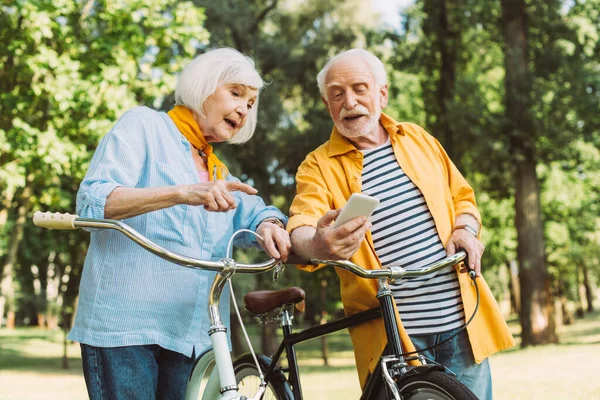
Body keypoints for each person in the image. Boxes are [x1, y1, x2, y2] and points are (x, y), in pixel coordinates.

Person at [287, 49, 515, 399]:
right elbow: (301, 226)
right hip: (392, 339)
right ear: (326, 103)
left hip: (460, 327)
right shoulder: (317, 166)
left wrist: (464, 230)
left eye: (359, 88)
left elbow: (463, 199)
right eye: (337, 93)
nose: (349, 102)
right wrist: (317, 245)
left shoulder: (417, 138)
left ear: (382, 93)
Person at [71, 48, 291, 400]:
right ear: (203, 86)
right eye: (235, 93)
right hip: (126, 331)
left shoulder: (219, 172)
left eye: (250, 103)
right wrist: (184, 192)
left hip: (190, 338)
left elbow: (257, 211)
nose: (243, 108)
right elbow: (95, 202)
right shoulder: (143, 125)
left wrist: (267, 224)